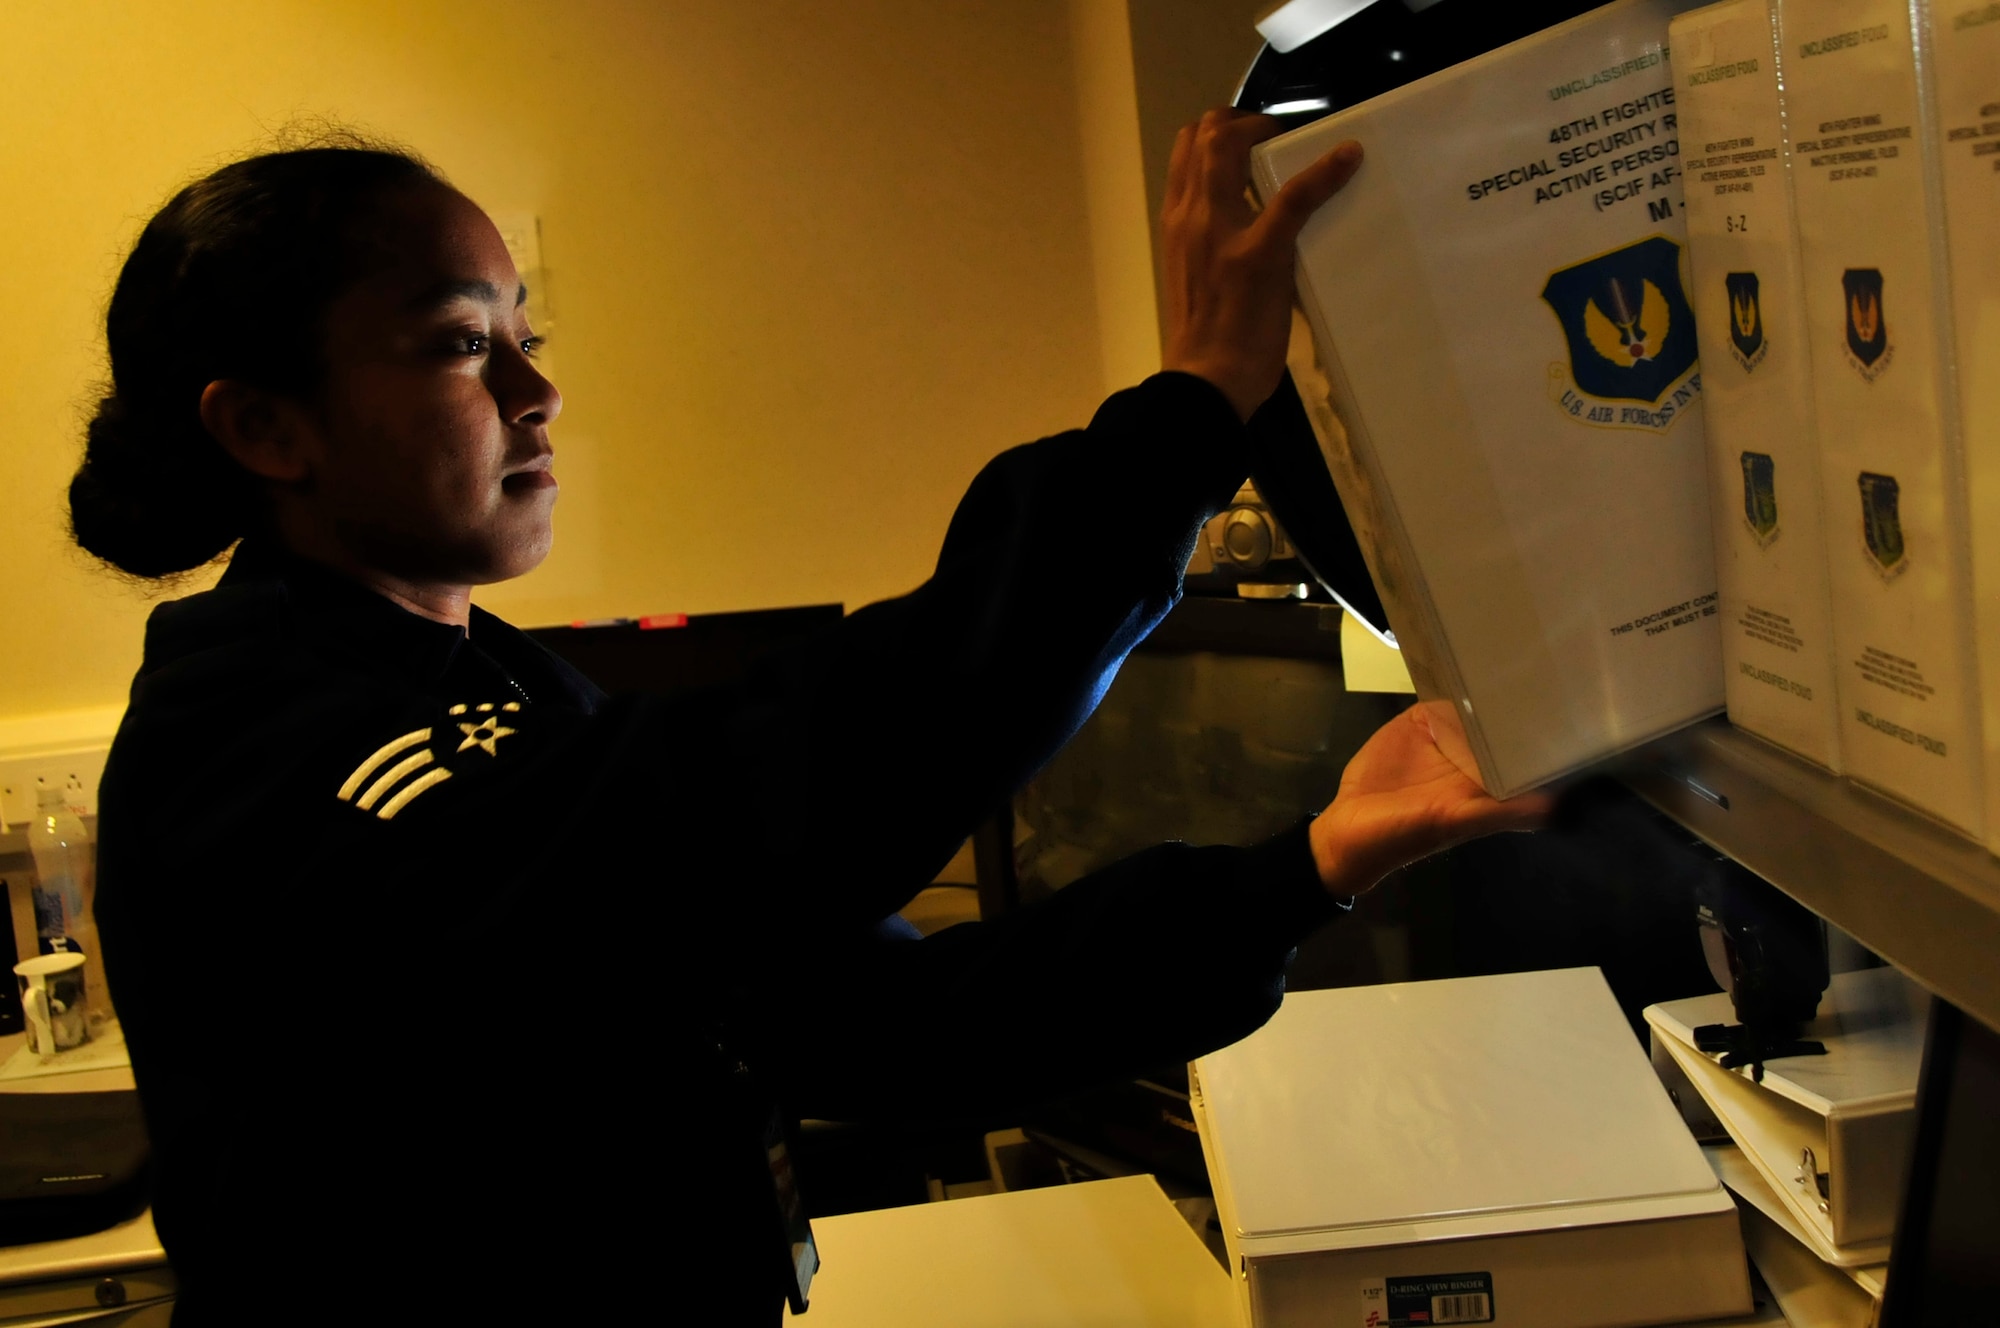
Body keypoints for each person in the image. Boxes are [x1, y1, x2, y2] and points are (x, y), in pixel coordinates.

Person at [70, 114, 1544, 1324]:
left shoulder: (506, 696)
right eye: (463, 346)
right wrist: (1196, 406)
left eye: (526, 329)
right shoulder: (261, 746)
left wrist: (1310, 866)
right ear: (268, 428)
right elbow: (778, 792)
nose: (539, 389)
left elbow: (883, 1025)